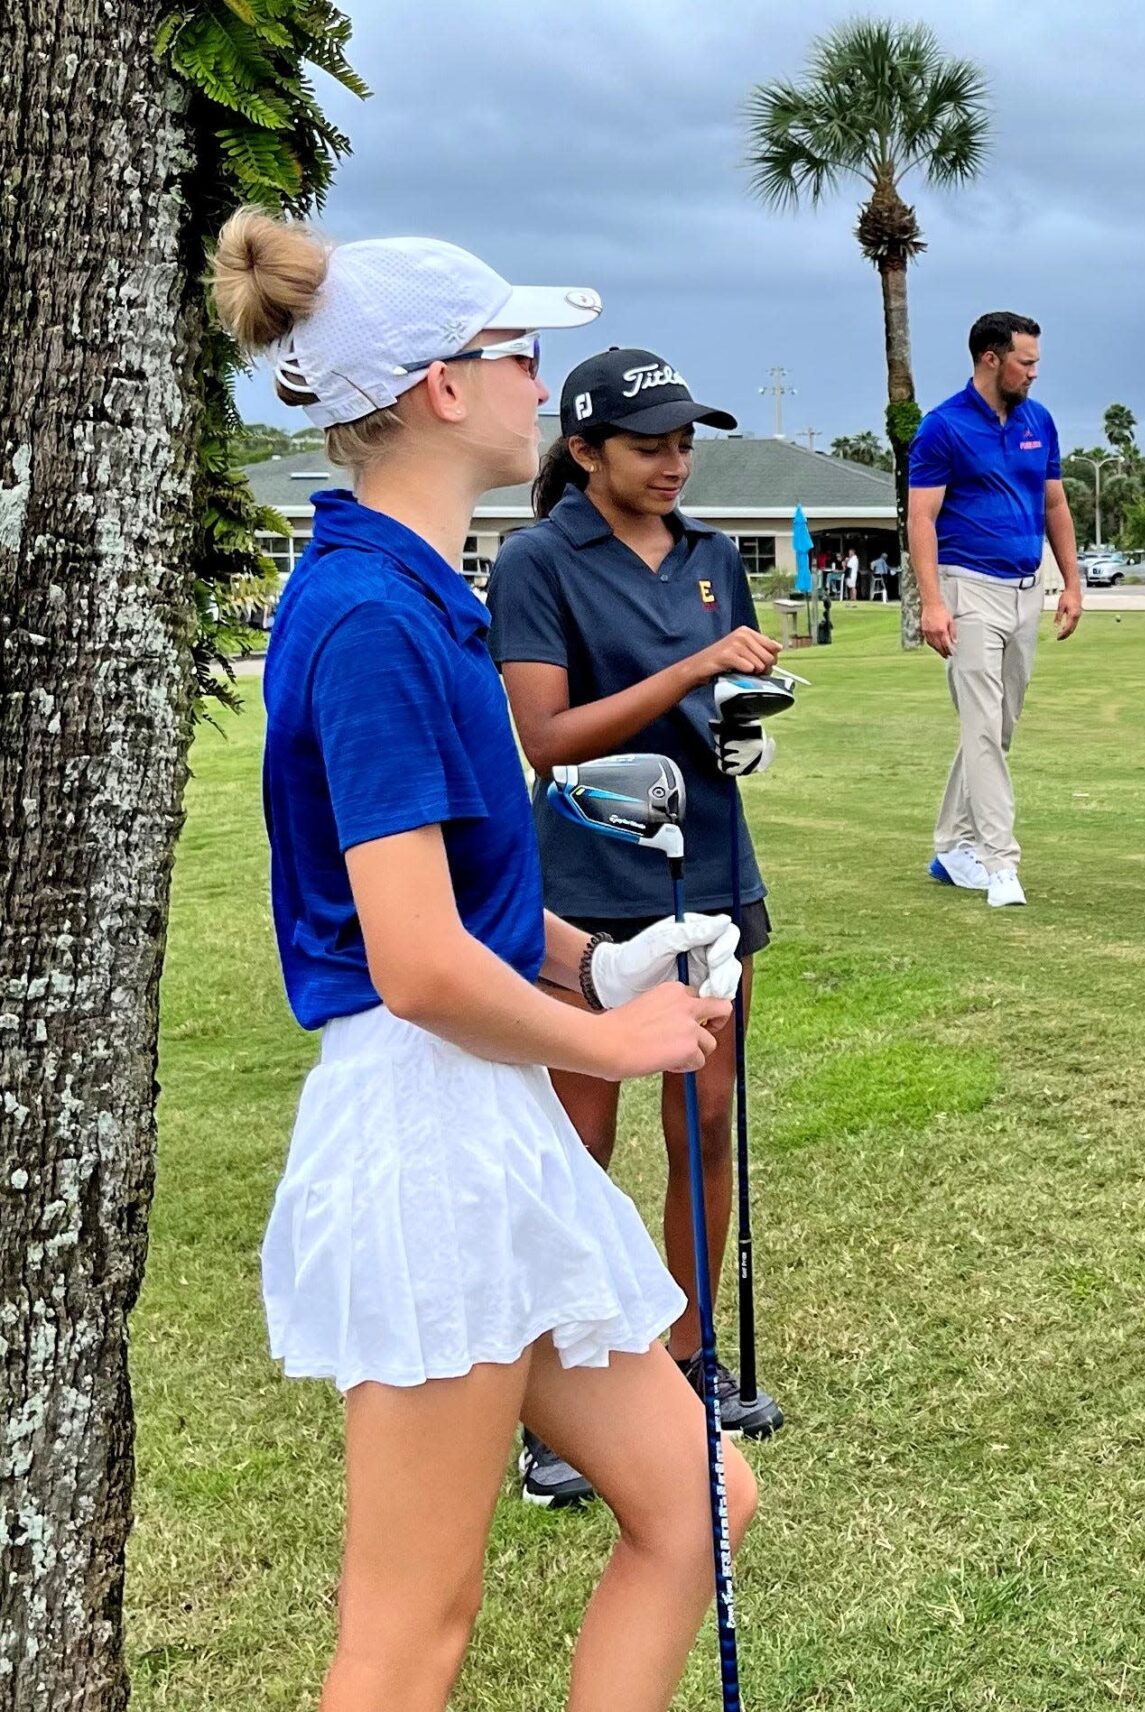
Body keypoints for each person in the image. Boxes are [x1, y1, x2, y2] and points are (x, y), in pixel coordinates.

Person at [215, 210, 756, 1711]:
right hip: (425, 1135)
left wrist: (605, 966)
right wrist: (613, 1048)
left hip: (481, 1127)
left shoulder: (425, 596)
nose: (544, 385)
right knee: (406, 1644)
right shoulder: (370, 617)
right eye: (524, 354)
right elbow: (415, 962)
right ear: (443, 388)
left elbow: (480, 913)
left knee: (702, 1501)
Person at [485, 348, 785, 1507]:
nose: (674, 462)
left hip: (710, 860)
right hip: (585, 883)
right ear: (586, 451)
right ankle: (562, 1393)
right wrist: (695, 665)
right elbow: (548, 740)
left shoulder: (713, 555)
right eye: (649, 443)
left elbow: (722, 705)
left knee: (706, 1120)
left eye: (682, 442)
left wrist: (740, 718)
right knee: (582, 1139)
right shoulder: (536, 560)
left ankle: (683, 1362)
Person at [909, 310, 1083, 908]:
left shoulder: (1040, 421)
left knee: (997, 728)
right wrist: (932, 604)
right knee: (982, 724)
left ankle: (951, 845)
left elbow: (1055, 504)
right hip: (967, 589)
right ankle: (998, 862)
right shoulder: (942, 428)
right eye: (1025, 361)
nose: (1034, 372)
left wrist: (1073, 583)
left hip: (1027, 588)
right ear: (991, 359)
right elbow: (921, 520)